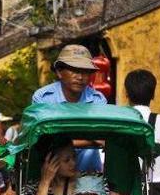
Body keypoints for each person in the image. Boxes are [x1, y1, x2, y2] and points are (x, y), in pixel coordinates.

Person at [31, 44, 105, 172]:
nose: (80, 77)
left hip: (90, 174)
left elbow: (104, 138)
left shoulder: (98, 99)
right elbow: (41, 140)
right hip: (53, 173)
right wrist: (90, 138)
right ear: (59, 72)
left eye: (85, 72)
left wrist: (61, 140)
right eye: (74, 70)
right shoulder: (43, 98)